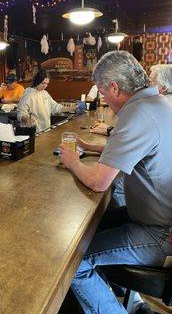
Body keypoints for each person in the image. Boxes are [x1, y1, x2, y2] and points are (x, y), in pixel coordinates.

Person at [59, 51, 172, 314]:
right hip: (155, 219)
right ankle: (127, 297)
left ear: (115, 87)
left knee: (73, 262)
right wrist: (88, 146)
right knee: (91, 229)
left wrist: (73, 162)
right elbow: (132, 152)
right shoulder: (159, 103)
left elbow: (99, 182)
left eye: (102, 92)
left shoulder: (138, 115)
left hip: (160, 233)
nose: (103, 99)